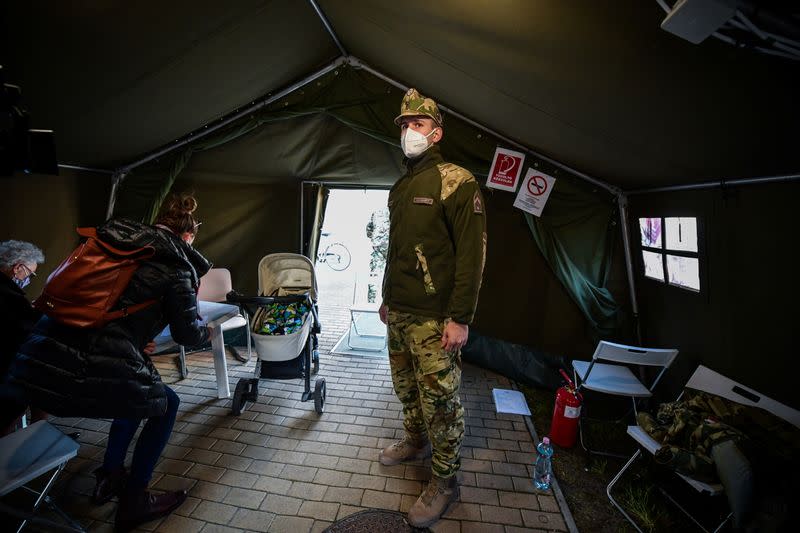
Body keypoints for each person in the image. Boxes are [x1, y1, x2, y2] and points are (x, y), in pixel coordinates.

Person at [0, 194, 213, 532]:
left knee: (133, 393)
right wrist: (208, 333)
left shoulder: (110, 243)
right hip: (85, 359)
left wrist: (131, 335)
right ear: (187, 237)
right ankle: (134, 501)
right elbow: (188, 334)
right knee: (163, 404)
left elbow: (104, 299)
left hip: (39, 352)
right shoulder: (176, 266)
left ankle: (110, 475)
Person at [378, 88, 487, 527]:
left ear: (436, 132)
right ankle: (413, 441)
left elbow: (472, 256)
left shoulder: (457, 181)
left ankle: (445, 482)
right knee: (406, 389)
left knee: (441, 402)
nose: (409, 131)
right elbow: (398, 250)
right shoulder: (402, 186)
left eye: (417, 125)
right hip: (400, 312)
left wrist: (460, 318)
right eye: (404, 125)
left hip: (435, 318)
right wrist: (387, 298)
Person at [0, 240, 47, 435]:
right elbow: (28, 329)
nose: (30, 279)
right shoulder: (8, 294)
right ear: (18, 268)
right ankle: (32, 440)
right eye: (31, 273)